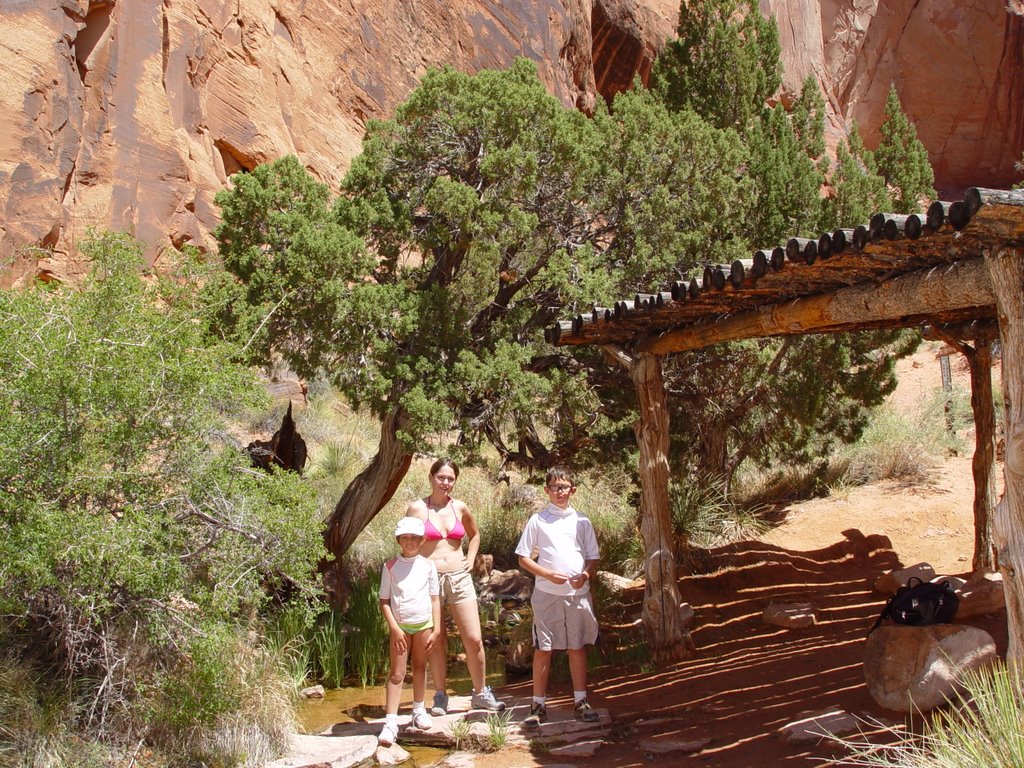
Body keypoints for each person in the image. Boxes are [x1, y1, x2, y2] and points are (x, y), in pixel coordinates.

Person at [405, 458, 505, 715]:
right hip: (429, 581)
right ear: (431, 477)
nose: (446, 483)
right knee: (436, 640)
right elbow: (406, 541)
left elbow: (475, 534)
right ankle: (440, 696)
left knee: (473, 638)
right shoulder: (417, 508)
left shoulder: (459, 507)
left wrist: (471, 559)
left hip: (459, 579)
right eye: (441, 478)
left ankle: (481, 693)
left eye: (450, 479)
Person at [514, 466, 601, 726]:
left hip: (578, 594)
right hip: (547, 593)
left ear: (572, 490)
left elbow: (592, 557)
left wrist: (585, 576)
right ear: (547, 490)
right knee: (544, 648)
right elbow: (523, 558)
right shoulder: (538, 520)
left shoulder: (582, 521)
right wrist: (547, 574)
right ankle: (537, 705)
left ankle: (580, 701)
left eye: (563, 487)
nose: (559, 491)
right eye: (554, 487)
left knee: (576, 647)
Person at [377, 516, 441, 746]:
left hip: (423, 624)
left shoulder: (428, 565)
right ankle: (391, 721)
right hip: (401, 626)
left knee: (420, 667)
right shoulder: (390, 567)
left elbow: (435, 599)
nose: (410, 542)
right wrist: (394, 628)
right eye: (406, 537)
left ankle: (418, 709)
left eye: (415, 538)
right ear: (399, 540)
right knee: (397, 673)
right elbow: (384, 600)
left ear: (422, 540)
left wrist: (436, 628)